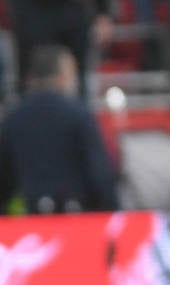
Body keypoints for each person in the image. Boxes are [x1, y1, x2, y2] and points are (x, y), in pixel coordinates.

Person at [0, 45, 118, 215]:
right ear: (63, 76)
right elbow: (100, 176)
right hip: (76, 217)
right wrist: (111, 212)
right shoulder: (80, 114)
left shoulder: (14, 118)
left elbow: (3, 179)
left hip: (32, 219)